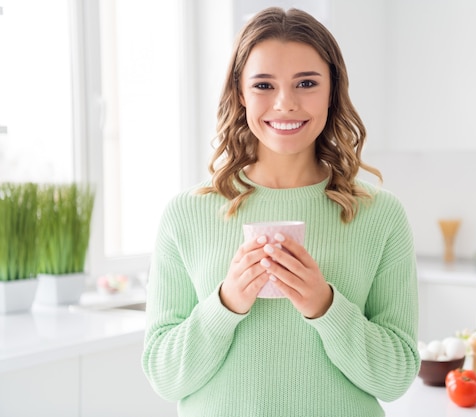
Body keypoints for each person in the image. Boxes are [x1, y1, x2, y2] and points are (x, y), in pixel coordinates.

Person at [142, 7, 420, 417]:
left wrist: (324, 305)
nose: (285, 103)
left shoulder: (380, 215)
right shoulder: (186, 214)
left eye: (306, 83)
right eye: (263, 85)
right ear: (240, 92)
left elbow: (396, 378)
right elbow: (165, 378)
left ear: (332, 90)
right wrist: (226, 303)